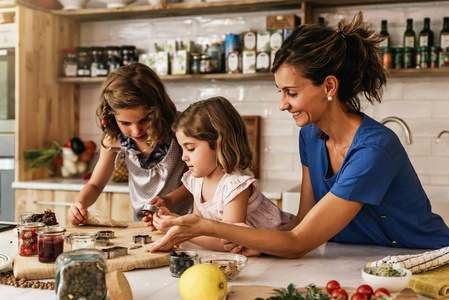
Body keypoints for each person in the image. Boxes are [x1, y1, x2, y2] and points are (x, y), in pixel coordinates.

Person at [150, 12, 449, 258]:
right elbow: (302, 221)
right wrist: (257, 242)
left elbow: (298, 242)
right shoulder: (310, 135)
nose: (282, 105)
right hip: (355, 256)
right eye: (280, 92)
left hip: (420, 258)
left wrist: (204, 227)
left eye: (291, 93)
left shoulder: (374, 150)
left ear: (329, 87)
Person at [146, 96, 294, 253]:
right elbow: (200, 225)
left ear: (219, 143)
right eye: (182, 149)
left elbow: (230, 244)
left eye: (190, 148)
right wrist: (173, 221)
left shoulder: (235, 186)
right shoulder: (197, 181)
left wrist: (179, 227)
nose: (184, 157)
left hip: (286, 246)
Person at [68, 63, 192, 225]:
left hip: (185, 223)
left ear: (159, 109)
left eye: (145, 120)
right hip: (143, 226)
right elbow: (95, 184)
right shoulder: (113, 137)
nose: (136, 131)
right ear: (112, 117)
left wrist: (169, 200)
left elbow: (201, 178)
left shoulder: (178, 127)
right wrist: (80, 204)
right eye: (125, 123)